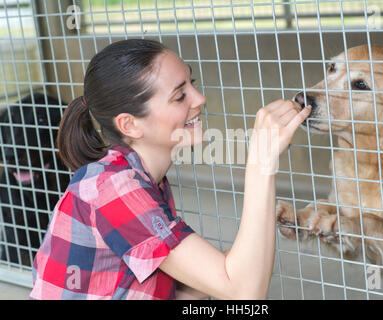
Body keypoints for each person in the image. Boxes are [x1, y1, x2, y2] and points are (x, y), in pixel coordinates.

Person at [28, 39, 311, 300]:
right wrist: (261, 160)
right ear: (129, 125)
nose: (199, 99)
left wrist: (232, 269)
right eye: (180, 96)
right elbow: (244, 293)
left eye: (192, 84)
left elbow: (169, 289)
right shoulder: (114, 188)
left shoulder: (142, 177)